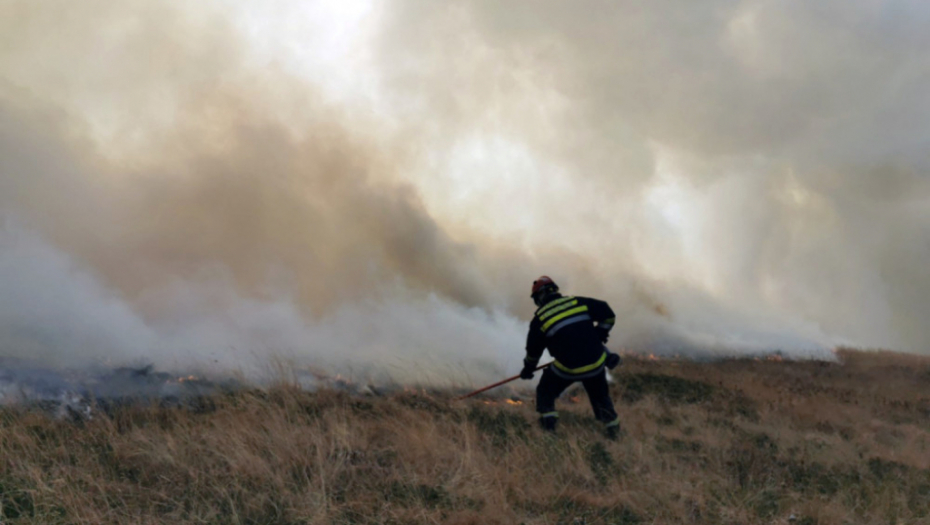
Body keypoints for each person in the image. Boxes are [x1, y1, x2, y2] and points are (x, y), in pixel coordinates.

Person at [520, 276, 622, 439]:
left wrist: (528, 370)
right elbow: (608, 315)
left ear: (539, 297)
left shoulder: (540, 319)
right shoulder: (578, 302)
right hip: (596, 364)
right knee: (601, 399)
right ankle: (614, 434)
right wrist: (600, 335)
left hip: (567, 368)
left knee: (545, 392)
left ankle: (549, 432)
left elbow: (533, 352)